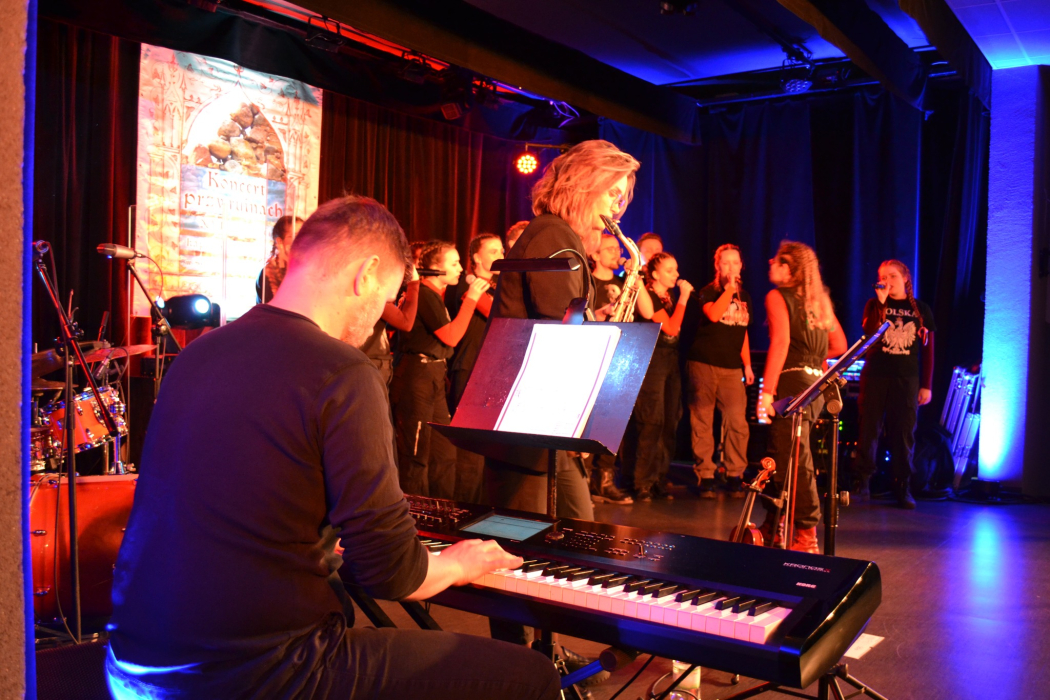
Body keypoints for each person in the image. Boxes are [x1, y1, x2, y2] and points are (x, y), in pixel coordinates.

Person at [106, 195, 559, 700]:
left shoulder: (199, 353)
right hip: (259, 673)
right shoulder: (342, 371)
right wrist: (460, 562)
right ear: (366, 274)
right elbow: (393, 572)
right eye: (387, 295)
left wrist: (316, 537)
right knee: (532, 677)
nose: (379, 315)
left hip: (136, 660)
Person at [485, 139, 639, 671]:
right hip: (530, 416)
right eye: (612, 193)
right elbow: (560, 330)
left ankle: (541, 651)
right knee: (515, 542)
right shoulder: (556, 237)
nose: (616, 208)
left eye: (622, 198)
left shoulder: (556, 236)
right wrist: (604, 339)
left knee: (565, 530)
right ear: (584, 184)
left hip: (536, 415)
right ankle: (515, 662)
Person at [757, 241, 847, 554]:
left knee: (796, 458)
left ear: (790, 269)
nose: (770, 261)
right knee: (784, 454)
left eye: (777, 260)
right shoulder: (818, 300)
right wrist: (816, 359)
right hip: (815, 385)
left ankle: (806, 535)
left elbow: (780, 343)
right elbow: (839, 345)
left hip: (792, 383)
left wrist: (766, 391)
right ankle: (774, 523)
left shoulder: (776, 296)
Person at [392, 241, 489, 498]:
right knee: (416, 454)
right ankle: (415, 514)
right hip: (418, 377)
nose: (460, 269)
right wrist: (472, 299)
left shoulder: (435, 295)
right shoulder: (424, 294)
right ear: (435, 268)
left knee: (443, 454)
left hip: (434, 374)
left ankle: (443, 512)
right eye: (454, 263)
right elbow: (451, 337)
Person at [854, 259, 936, 508]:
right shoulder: (874, 305)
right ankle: (863, 482)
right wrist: (881, 304)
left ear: (905, 279)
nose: (887, 281)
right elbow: (869, 334)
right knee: (869, 429)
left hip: (906, 378)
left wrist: (926, 384)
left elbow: (929, 349)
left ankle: (902, 485)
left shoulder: (920, 309)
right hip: (876, 376)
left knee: (903, 432)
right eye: (883, 277)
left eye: (892, 276)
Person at [686, 244, 754, 498]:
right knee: (703, 420)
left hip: (731, 368)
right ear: (718, 266)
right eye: (726, 263)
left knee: (737, 422)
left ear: (741, 266)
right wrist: (728, 290)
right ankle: (706, 474)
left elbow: (741, 330)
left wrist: (747, 364)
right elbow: (714, 315)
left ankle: (735, 473)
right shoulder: (709, 292)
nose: (731, 267)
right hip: (704, 363)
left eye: (735, 263)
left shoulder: (745, 297)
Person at [626, 252, 693, 501]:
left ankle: (658, 480)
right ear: (654, 274)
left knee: (669, 421)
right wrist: (684, 297)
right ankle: (641, 481)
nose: (676, 274)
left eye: (676, 269)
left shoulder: (668, 296)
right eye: (669, 270)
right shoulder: (649, 295)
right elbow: (671, 328)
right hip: (652, 361)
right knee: (651, 421)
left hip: (670, 361)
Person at [445, 233, 503, 503]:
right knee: (469, 446)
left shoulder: (497, 286)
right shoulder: (465, 285)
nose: (500, 255)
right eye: (493, 251)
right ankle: (463, 508)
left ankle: (483, 505)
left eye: (501, 250)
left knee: (488, 446)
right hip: (469, 369)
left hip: (491, 371)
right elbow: (496, 313)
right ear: (476, 258)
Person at [360, 266, 420, 386]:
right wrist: (414, 283)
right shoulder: (372, 290)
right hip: (371, 361)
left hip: (371, 360)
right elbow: (406, 323)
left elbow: (390, 325)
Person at [256, 214, 305, 303]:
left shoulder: (307, 269)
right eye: (296, 235)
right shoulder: (268, 274)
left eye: (304, 235)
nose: (302, 240)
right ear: (279, 241)